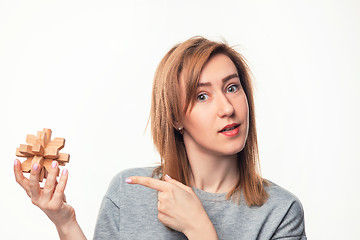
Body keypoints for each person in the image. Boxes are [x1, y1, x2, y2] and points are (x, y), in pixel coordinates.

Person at [14, 36, 306, 239]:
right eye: (202, 96)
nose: (228, 108)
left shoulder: (280, 212)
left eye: (232, 87)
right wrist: (65, 222)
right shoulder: (128, 193)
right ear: (176, 118)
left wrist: (199, 229)